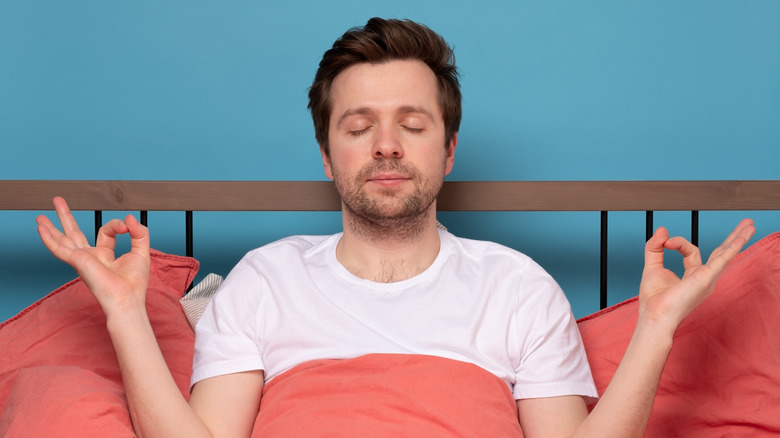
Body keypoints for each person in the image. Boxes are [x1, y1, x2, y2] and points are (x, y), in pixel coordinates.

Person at [36, 17, 755, 438]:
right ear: (327, 155)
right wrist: (126, 310)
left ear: (447, 151)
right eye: (359, 126)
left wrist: (656, 327)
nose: (386, 145)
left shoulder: (517, 288)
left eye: (412, 125)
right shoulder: (266, 278)